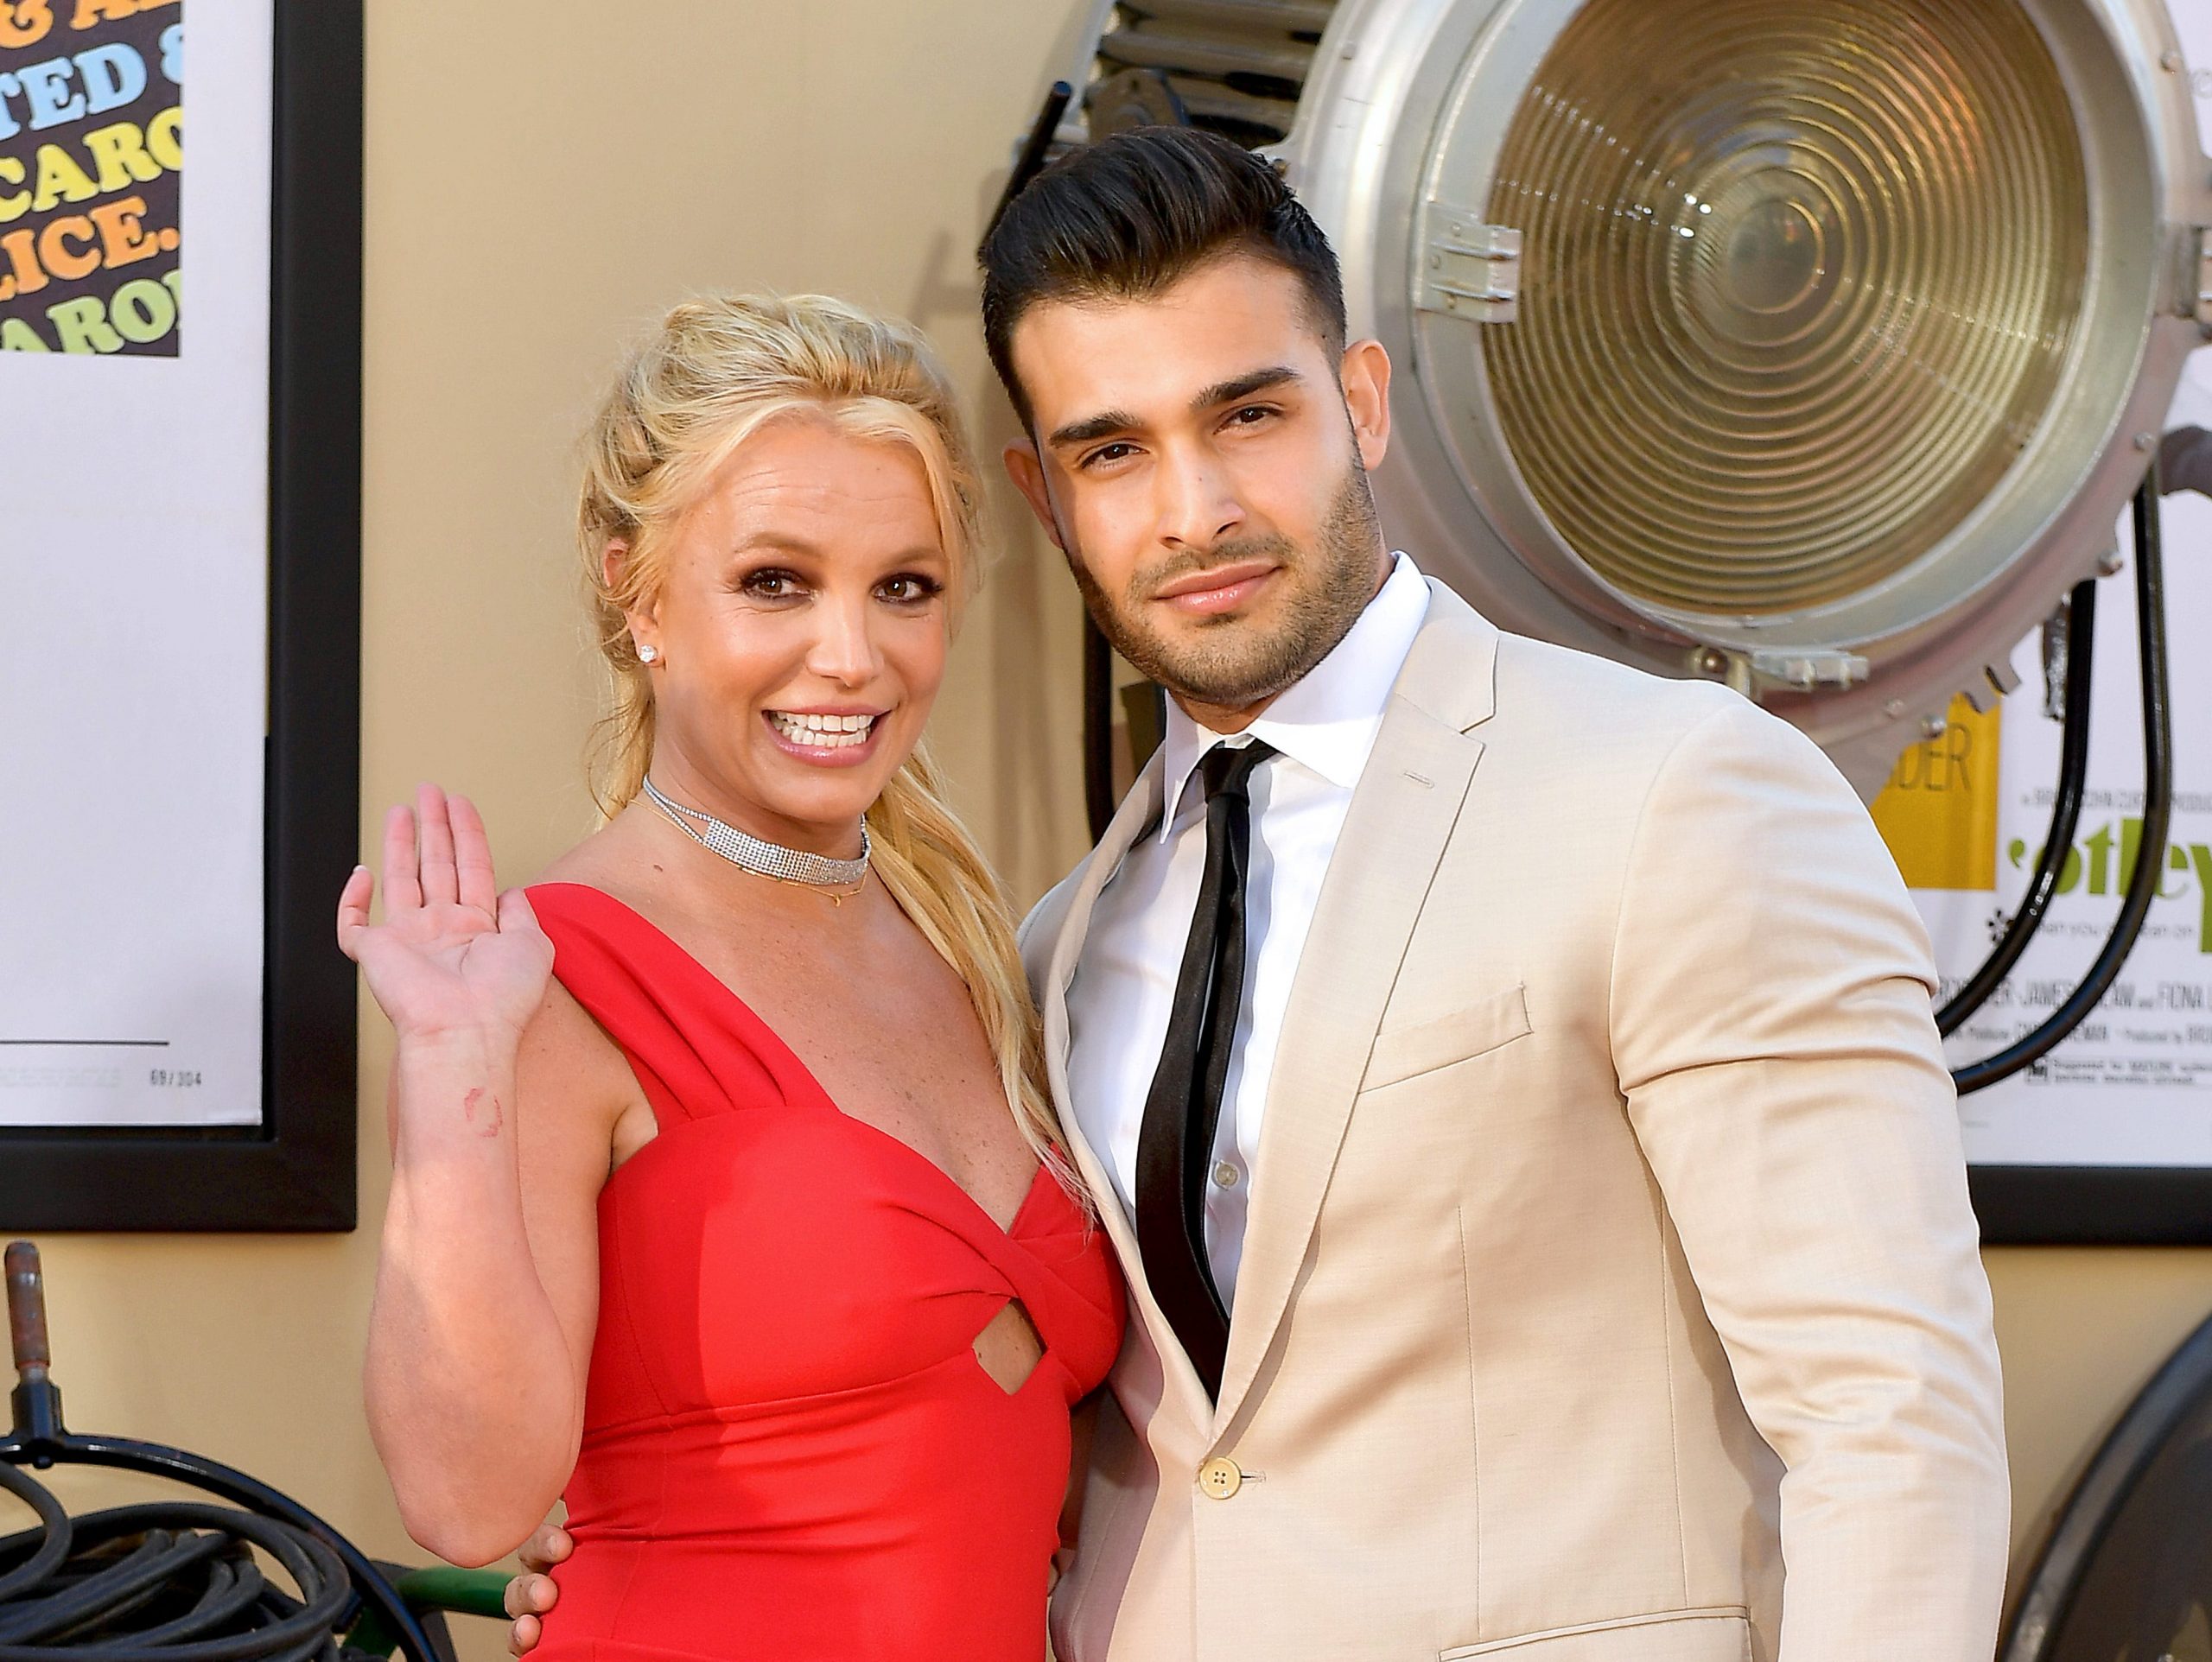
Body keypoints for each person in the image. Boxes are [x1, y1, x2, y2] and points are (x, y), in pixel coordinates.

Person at [507, 130, 2009, 1660]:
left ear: (1359, 403)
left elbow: (1891, 1413)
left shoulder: (1673, 794)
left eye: (1248, 415)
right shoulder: (1056, 943)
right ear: (1045, 499)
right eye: (1113, 451)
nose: (1194, 507)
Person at [339, 293, 1122, 1662]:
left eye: (905, 586)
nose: (850, 655)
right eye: (776, 582)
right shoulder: (544, 985)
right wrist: (453, 1060)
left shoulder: (984, 956)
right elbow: (466, 1503)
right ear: (634, 589)